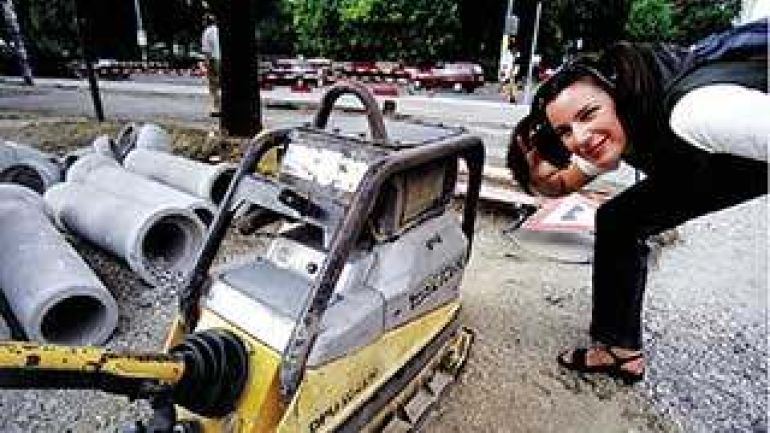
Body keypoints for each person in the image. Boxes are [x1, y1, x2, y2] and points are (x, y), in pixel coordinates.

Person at [507, 19, 768, 384]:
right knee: (620, 219)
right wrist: (538, 176)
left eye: (587, 115)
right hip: (713, 161)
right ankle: (619, 350)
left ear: (614, 96)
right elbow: (562, 183)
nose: (580, 137)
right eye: (565, 131)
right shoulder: (613, 123)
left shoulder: (698, 112)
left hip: (739, 150)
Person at [201, 12, 221, 117]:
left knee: (214, 86)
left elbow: (207, 51)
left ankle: (217, 108)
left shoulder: (207, 32)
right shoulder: (218, 30)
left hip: (214, 60)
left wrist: (207, 65)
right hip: (222, 59)